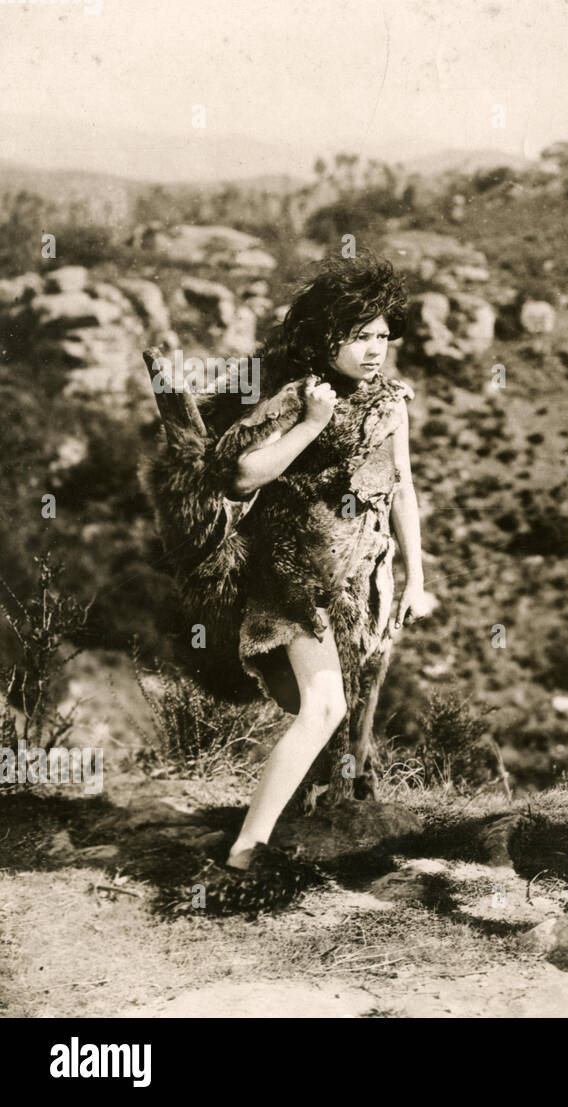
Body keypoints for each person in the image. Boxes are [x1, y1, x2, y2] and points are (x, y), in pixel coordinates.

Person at [146, 254, 435, 908]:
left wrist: (415, 574)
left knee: (338, 702)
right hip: (296, 570)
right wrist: (309, 423)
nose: (373, 349)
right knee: (324, 705)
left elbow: (403, 488)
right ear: (326, 335)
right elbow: (242, 474)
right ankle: (244, 856)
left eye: (383, 336)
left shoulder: (391, 399)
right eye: (359, 335)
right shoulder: (299, 391)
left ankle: (315, 817)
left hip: (364, 565)